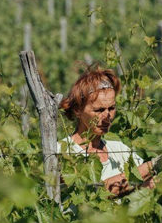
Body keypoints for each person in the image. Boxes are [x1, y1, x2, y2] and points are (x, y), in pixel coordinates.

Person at [58, 66, 155, 196]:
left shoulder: (120, 149)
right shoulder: (63, 151)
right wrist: (153, 165)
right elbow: (94, 194)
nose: (107, 117)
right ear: (78, 110)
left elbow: (142, 186)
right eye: (99, 110)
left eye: (112, 108)